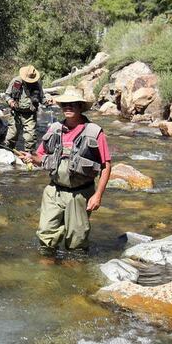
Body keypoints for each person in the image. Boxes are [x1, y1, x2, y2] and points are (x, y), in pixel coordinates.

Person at [22, 87, 112, 253]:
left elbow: (106, 166)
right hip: (54, 191)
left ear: (80, 106)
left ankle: (74, 274)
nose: (68, 108)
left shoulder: (94, 132)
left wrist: (98, 195)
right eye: (65, 105)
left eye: (72, 104)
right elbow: (40, 157)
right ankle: (47, 275)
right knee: (46, 239)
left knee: (76, 243)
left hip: (80, 195)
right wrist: (30, 157)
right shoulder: (55, 128)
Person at [3, 65, 45, 152]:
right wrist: (11, 101)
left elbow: (42, 98)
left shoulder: (37, 83)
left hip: (30, 114)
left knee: (30, 138)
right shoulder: (16, 81)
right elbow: (7, 95)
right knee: (12, 135)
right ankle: (8, 153)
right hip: (16, 113)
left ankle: (29, 157)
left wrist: (48, 102)